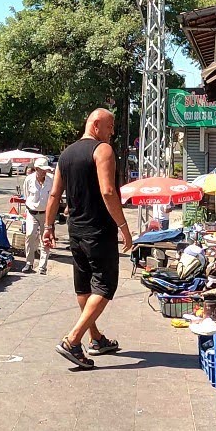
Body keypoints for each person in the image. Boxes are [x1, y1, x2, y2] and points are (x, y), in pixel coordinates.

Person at [44, 109, 133, 369]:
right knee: (105, 286)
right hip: (98, 232)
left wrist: (49, 227)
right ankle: (73, 340)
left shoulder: (66, 154)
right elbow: (107, 192)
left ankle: (96, 338)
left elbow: (53, 195)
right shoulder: (102, 150)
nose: (113, 132)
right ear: (96, 125)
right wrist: (124, 227)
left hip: (76, 232)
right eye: (110, 126)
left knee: (84, 287)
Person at [21, 159, 55, 274]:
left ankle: (42, 266)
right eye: (43, 169)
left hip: (46, 213)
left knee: (45, 239)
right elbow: (26, 195)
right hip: (32, 212)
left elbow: (53, 197)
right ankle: (29, 263)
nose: (45, 172)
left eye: (46, 169)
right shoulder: (29, 180)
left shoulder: (51, 180)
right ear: (37, 169)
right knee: (30, 235)